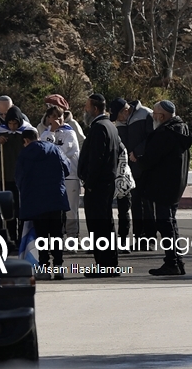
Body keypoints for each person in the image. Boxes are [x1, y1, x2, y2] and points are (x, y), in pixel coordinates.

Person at [138, 101, 192, 276]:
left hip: (163, 185)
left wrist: (137, 158)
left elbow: (150, 158)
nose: (153, 117)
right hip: (176, 185)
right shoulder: (181, 129)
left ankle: (172, 262)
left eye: (154, 113)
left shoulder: (164, 132)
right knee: (171, 223)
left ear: (161, 116)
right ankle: (176, 261)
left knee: (165, 223)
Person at [16, 127, 70, 278]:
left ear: (25, 141)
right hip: (55, 198)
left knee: (42, 237)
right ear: (38, 137)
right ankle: (59, 267)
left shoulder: (24, 155)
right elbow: (66, 168)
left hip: (36, 201)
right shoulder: (54, 149)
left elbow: (19, 179)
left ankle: (44, 269)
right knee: (57, 234)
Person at [77, 93, 121, 277]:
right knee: (106, 224)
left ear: (95, 109)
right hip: (106, 183)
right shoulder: (110, 126)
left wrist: (90, 183)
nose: (85, 111)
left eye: (87, 107)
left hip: (98, 186)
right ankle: (110, 263)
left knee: (98, 226)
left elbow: (97, 159)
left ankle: (104, 265)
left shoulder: (99, 128)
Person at [0, 106, 34, 245]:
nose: (13, 127)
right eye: (10, 124)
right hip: (5, 177)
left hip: (23, 177)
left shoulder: (27, 132)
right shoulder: (0, 133)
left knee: (22, 209)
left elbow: (35, 147)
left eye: (15, 124)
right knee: (9, 209)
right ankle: (10, 238)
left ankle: (22, 238)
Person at [40, 105, 81, 238]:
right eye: (53, 117)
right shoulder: (45, 134)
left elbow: (63, 152)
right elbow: (44, 152)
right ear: (48, 118)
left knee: (71, 210)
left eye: (60, 116)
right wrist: (52, 132)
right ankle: (56, 238)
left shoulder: (70, 133)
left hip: (70, 176)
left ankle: (72, 237)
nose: (57, 119)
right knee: (55, 210)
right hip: (52, 177)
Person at [122, 98, 155, 237]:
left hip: (145, 165)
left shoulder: (146, 113)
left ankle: (150, 237)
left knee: (147, 203)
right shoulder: (121, 118)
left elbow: (152, 137)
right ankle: (138, 235)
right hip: (130, 167)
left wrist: (137, 152)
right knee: (135, 203)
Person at [109, 98, 134, 248]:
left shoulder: (128, 123)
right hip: (112, 175)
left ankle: (123, 239)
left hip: (124, 176)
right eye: (125, 109)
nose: (128, 111)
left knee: (124, 210)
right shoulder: (111, 127)